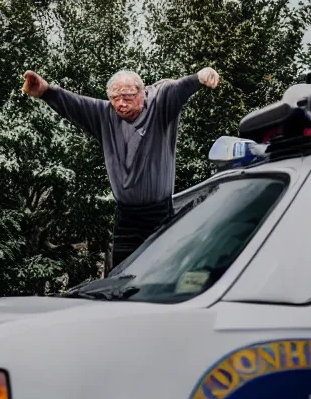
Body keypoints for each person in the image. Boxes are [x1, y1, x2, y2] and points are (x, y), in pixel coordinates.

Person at [22, 67, 220, 272]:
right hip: (126, 216)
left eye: (127, 97)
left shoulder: (160, 105)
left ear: (141, 93)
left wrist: (199, 78)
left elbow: (178, 89)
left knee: (161, 273)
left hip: (159, 213)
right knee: (123, 275)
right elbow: (76, 104)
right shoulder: (105, 115)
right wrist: (46, 91)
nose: (121, 104)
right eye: (115, 98)